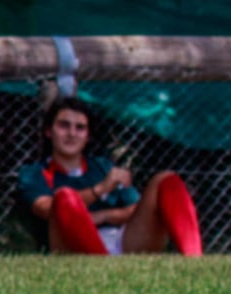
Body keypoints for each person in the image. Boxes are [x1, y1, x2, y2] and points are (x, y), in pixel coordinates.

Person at [16, 96, 202, 256]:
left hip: (123, 240)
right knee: (65, 196)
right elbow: (47, 209)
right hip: (72, 247)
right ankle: (102, 267)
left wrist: (104, 216)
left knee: (166, 179)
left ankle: (194, 260)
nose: (72, 134)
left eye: (80, 128)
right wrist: (100, 190)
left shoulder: (103, 166)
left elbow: (134, 208)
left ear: (88, 136)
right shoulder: (34, 172)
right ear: (49, 131)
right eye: (64, 126)